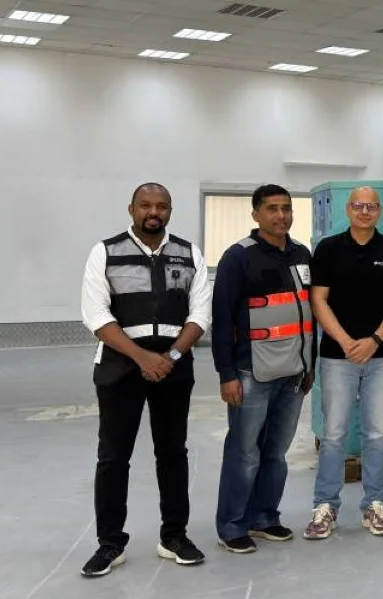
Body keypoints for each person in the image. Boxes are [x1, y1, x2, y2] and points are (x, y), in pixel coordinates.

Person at [78, 182, 210, 577]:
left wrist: (168, 357)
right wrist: (141, 357)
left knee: (173, 453)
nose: (154, 212)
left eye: (162, 206)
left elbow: (199, 314)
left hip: (173, 367)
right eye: (146, 205)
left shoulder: (189, 254)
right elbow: (96, 314)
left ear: (170, 210)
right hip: (121, 368)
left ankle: (174, 536)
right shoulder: (105, 251)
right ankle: (109, 543)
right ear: (131, 208)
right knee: (114, 457)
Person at [212, 184, 316, 554]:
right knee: (245, 451)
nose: (281, 215)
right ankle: (233, 524)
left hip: (293, 373)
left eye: (286, 208)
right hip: (251, 372)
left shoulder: (302, 254)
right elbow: (222, 319)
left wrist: (310, 364)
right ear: (255, 214)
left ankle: (265, 517)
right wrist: (227, 375)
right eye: (272, 208)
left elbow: (309, 315)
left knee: (276, 452)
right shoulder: (238, 258)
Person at [304, 186, 383, 539]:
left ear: (379, 211)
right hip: (337, 356)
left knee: (376, 434)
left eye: (371, 206)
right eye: (358, 206)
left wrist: (374, 340)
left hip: (381, 355)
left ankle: (374, 505)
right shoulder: (329, 249)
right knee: (334, 434)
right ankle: (325, 506)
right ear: (348, 209)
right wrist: (346, 342)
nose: (364, 211)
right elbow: (319, 300)